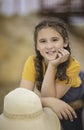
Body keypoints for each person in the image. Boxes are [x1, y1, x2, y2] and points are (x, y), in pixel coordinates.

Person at [20, 17, 84, 130]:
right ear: (37, 46)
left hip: (77, 89)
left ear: (65, 42)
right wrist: (47, 101)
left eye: (54, 40)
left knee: (70, 117)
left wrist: (52, 65)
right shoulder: (32, 62)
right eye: (43, 41)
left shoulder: (73, 65)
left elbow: (50, 97)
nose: (49, 46)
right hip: (56, 94)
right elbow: (24, 96)